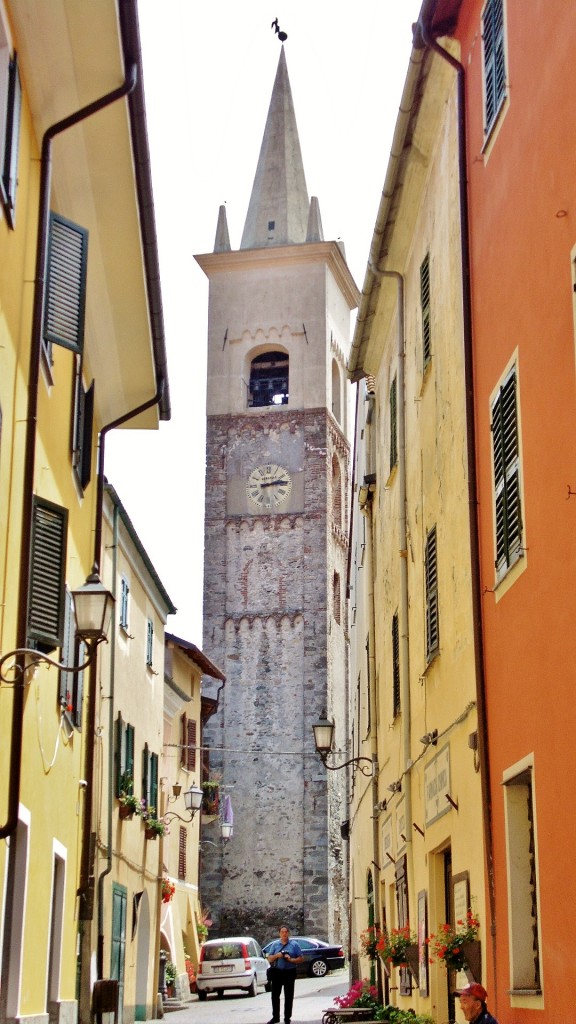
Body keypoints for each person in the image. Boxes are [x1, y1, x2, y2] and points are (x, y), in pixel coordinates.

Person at [265, 924, 303, 1024]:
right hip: (277, 972)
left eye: (286, 932)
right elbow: (269, 958)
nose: (284, 934)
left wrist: (291, 959)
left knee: (289, 996)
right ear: (279, 934)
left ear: (288, 933)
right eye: (282, 932)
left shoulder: (294, 945)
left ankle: (287, 1018)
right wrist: (277, 955)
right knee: (275, 996)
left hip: (290, 972)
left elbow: (301, 958)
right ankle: (275, 1017)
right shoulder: (275, 945)